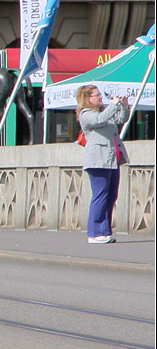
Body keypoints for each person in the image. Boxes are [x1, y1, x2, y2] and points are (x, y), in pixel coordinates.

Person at [77, 84, 130, 244]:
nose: (101, 97)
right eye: (97, 95)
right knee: (100, 196)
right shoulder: (86, 114)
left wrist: (124, 106)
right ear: (88, 99)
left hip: (111, 159)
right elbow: (99, 120)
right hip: (97, 160)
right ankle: (94, 233)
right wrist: (113, 104)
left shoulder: (104, 112)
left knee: (111, 195)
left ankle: (105, 231)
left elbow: (120, 119)